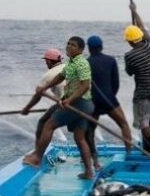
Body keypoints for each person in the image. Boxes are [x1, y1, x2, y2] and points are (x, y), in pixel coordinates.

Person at [24, 36, 97, 179]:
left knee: (48, 125)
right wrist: (46, 87)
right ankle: (89, 171)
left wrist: (69, 100)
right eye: (68, 44)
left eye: (73, 45)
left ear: (81, 49)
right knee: (79, 138)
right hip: (78, 103)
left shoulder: (81, 63)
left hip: (78, 103)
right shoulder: (71, 63)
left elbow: (85, 85)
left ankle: (37, 158)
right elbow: (60, 77)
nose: (69, 47)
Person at [84, 35, 132, 166]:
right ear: (101, 47)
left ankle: (95, 161)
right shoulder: (110, 60)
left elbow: (82, 86)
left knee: (89, 131)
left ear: (89, 48)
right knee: (123, 124)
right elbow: (115, 83)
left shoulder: (85, 63)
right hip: (109, 98)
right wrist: (110, 96)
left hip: (92, 101)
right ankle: (129, 153)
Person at [124, 3, 150, 154]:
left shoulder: (130, 55)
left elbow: (130, 72)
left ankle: (149, 149)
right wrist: (134, 12)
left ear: (128, 41)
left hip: (143, 94)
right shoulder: (149, 43)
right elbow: (141, 26)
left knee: (144, 122)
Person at [20, 48, 65, 152]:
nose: (46, 63)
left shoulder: (48, 75)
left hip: (65, 104)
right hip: (80, 100)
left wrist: (26, 109)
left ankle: (38, 153)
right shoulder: (68, 67)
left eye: (46, 61)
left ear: (49, 61)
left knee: (43, 122)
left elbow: (37, 95)